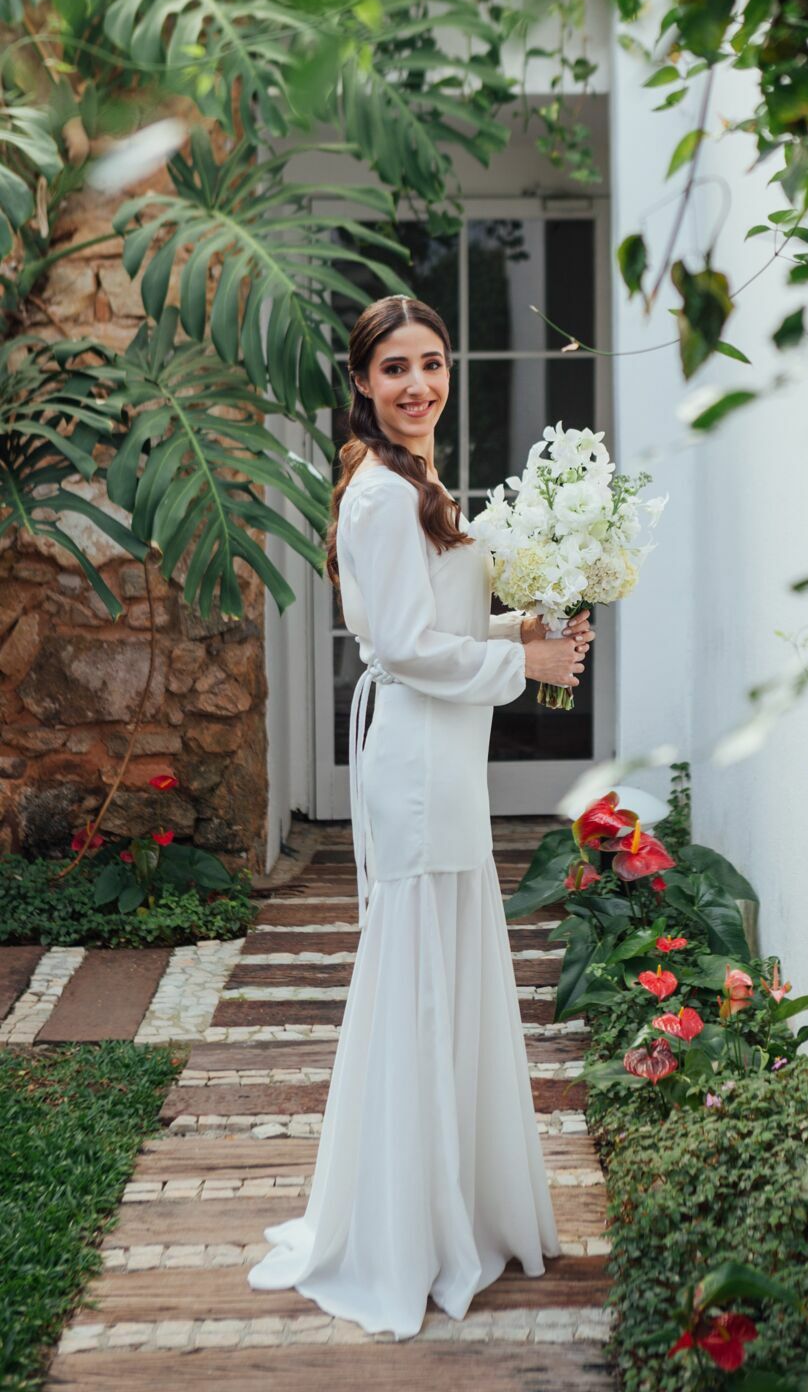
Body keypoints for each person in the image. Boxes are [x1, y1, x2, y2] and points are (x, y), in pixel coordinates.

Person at [246, 294, 594, 1340]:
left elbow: (436, 619)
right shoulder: (373, 492)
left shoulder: (419, 479)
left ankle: (460, 1213)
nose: (416, 386)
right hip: (410, 762)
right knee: (413, 985)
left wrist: (517, 623)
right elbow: (396, 645)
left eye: (431, 364)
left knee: (448, 973)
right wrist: (517, 664)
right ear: (362, 381)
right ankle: (404, 1233)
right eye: (394, 368)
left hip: (450, 761)